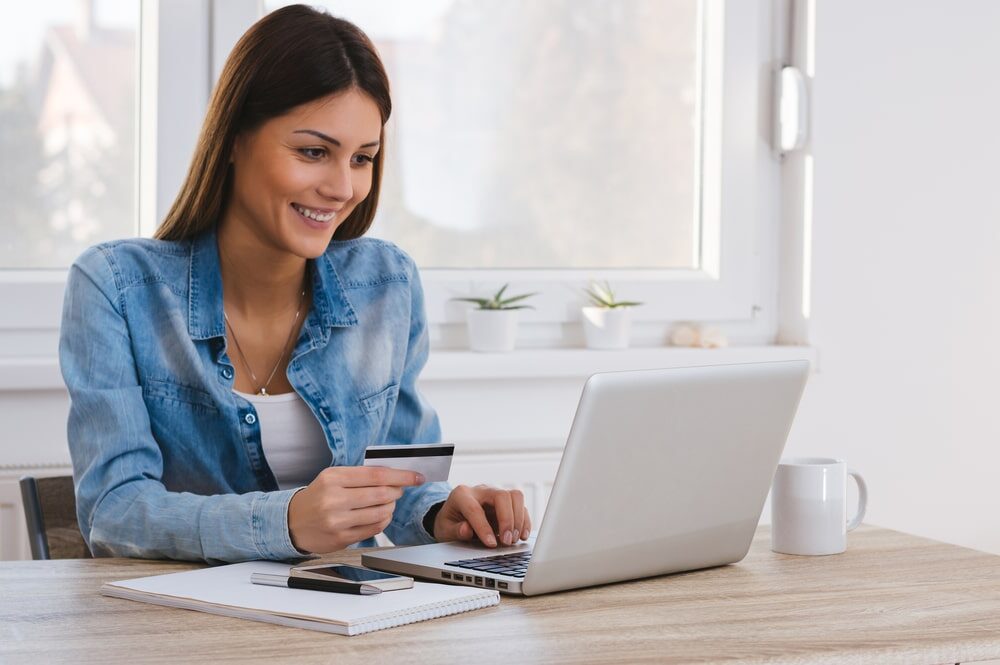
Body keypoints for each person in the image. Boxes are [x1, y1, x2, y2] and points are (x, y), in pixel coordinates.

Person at [59, 5, 530, 563]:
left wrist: (437, 510)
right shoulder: (116, 287)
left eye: (363, 158)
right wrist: (285, 522)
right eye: (313, 152)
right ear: (233, 138)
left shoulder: (388, 284)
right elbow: (114, 513)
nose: (342, 186)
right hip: (181, 632)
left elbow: (397, 483)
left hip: (345, 624)